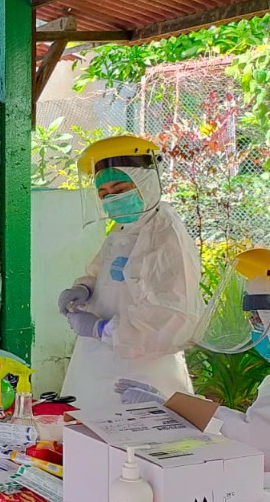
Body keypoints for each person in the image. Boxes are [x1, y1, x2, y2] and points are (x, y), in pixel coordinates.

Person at [117, 250, 270, 493]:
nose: (254, 328)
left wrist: (175, 409)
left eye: (261, 319)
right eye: (252, 319)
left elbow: (259, 443)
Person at [57, 135, 202, 409]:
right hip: (100, 359)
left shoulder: (165, 232)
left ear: (145, 181)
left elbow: (168, 318)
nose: (112, 199)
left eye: (120, 188)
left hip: (144, 369)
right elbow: (103, 273)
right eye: (104, 194)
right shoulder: (124, 229)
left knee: (138, 443)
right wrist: (84, 288)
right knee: (86, 438)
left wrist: (102, 329)